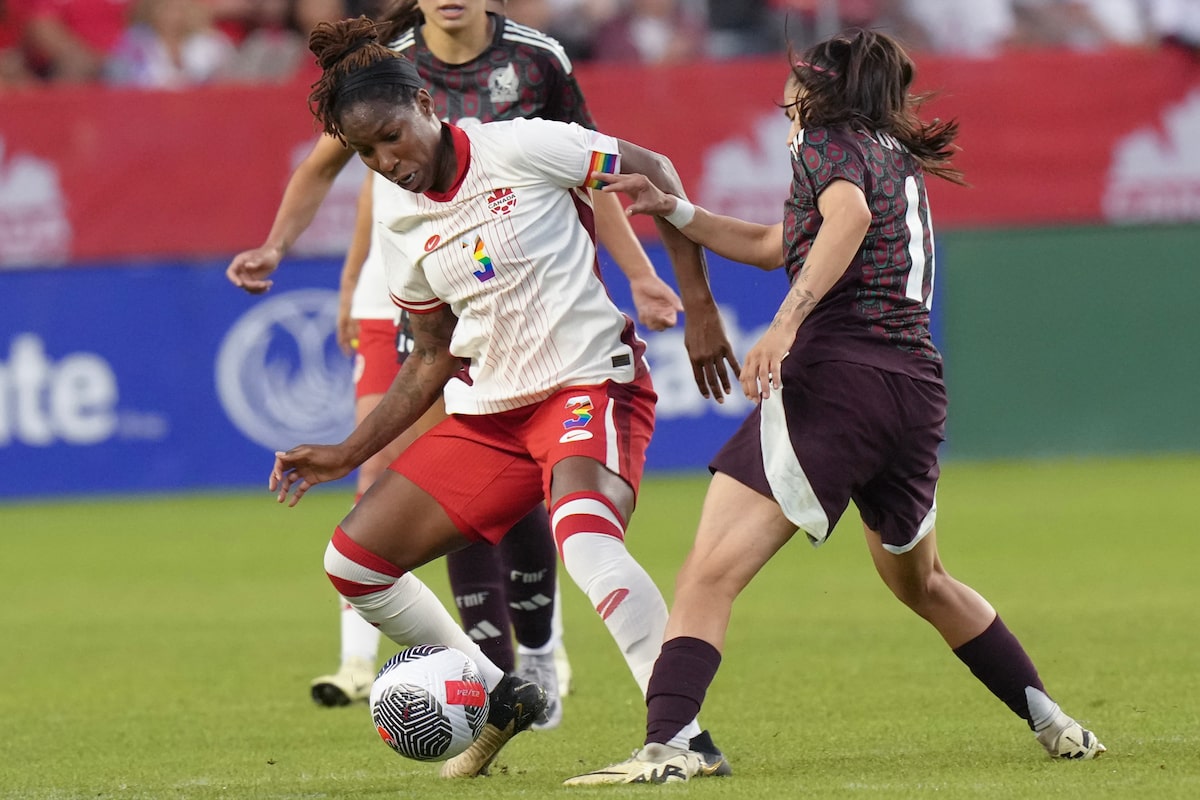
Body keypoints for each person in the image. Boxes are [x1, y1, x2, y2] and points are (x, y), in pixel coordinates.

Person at [565, 28, 1107, 784]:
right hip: (913, 390)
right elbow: (776, 243)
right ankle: (1053, 721)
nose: (785, 91)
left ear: (816, 91)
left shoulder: (823, 142)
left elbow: (845, 219)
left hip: (838, 380)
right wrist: (678, 211)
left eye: (795, 80)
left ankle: (670, 744)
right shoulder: (890, 151)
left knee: (708, 575)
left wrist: (785, 323)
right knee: (923, 582)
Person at [268, 15, 740, 778]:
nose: (386, 161)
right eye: (365, 152)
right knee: (352, 562)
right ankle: (499, 693)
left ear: (425, 104)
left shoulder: (520, 145)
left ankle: (682, 739)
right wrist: (347, 453)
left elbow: (651, 167)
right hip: (492, 416)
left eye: (391, 136)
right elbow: (430, 356)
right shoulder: (400, 218)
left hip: (589, 382)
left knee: (584, 537)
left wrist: (700, 306)